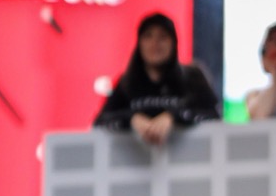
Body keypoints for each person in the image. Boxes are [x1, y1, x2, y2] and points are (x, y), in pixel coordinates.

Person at [94, 13, 220, 146]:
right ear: (139, 43)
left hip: (188, 159)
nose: (155, 44)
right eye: (148, 36)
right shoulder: (126, 83)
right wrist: (132, 119)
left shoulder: (193, 77)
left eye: (163, 37)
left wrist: (174, 117)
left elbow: (214, 116)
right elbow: (100, 122)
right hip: (137, 160)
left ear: (173, 42)